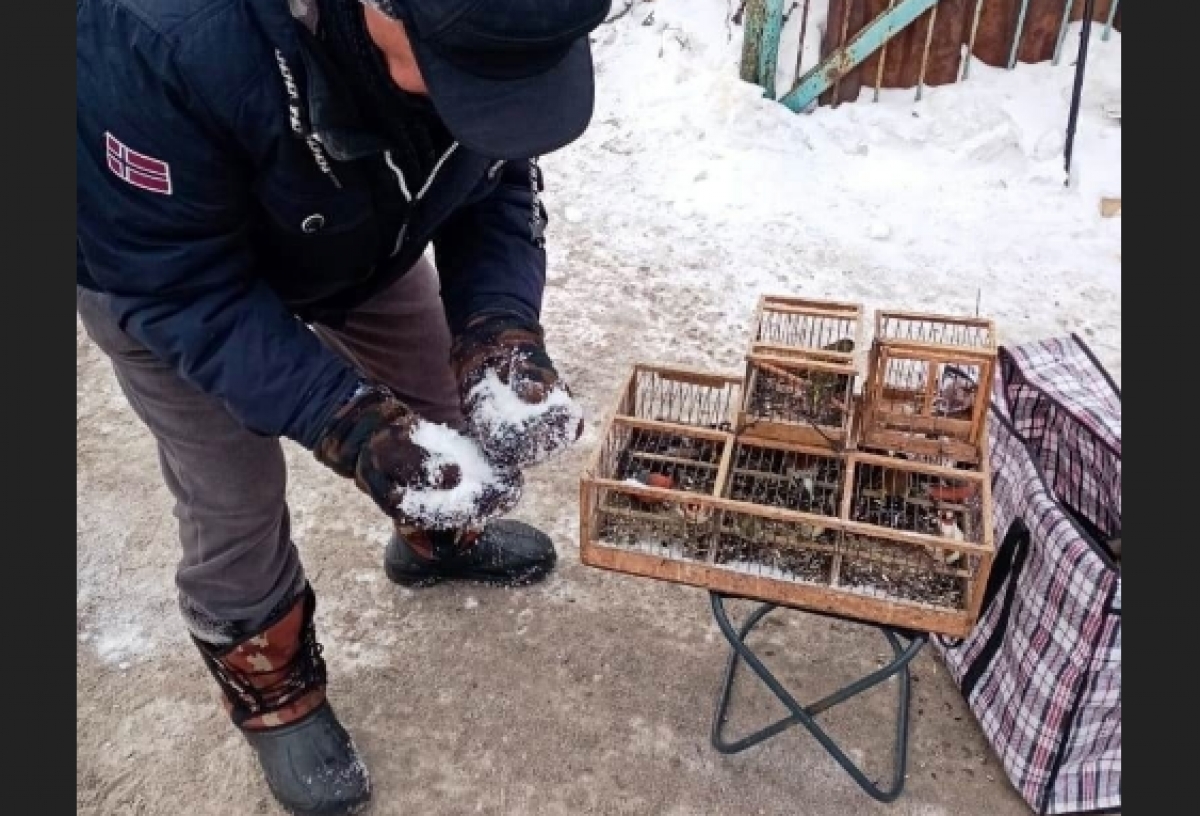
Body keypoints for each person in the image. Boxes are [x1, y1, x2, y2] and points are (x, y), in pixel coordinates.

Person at [76, 1, 608, 813]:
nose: (494, 91)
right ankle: (271, 688)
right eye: (467, 71)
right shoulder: (156, 38)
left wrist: (498, 327)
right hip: (166, 275)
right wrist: (349, 424)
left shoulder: (487, 30)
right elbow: (178, 288)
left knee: (444, 403)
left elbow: (492, 175)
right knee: (233, 500)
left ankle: (440, 536)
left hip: (354, 230)